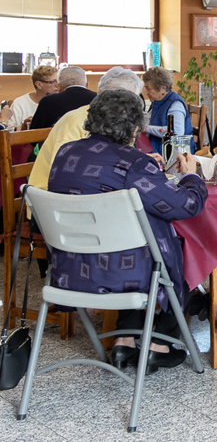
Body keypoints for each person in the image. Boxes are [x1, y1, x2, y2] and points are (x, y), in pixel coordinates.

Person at [47, 89, 207, 374]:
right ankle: (159, 344)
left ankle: (124, 340)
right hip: (122, 274)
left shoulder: (65, 153)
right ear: (136, 129)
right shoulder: (134, 163)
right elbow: (186, 205)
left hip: (69, 270)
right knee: (184, 250)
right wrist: (192, 175)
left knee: (132, 247)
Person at [31, 67, 148, 191]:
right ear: (101, 95)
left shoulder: (117, 122)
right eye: (121, 101)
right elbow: (64, 174)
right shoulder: (74, 121)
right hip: (53, 198)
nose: (129, 109)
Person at [142, 66, 194, 155]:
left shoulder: (175, 104)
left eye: (148, 88)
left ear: (163, 88)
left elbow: (176, 132)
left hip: (175, 155)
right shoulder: (158, 101)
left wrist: (147, 129)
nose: (145, 92)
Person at [30, 66, 96, 130]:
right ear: (87, 85)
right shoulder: (99, 98)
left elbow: (34, 133)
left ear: (58, 86)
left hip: (58, 141)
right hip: (95, 141)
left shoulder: (48, 101)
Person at [9, 65, 58, 130]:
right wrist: (23, 126)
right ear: (39, 85)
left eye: (58, 81)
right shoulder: (20, 103)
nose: (57, 85)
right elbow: (10, 131)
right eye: (53, 82)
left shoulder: (61, 101)